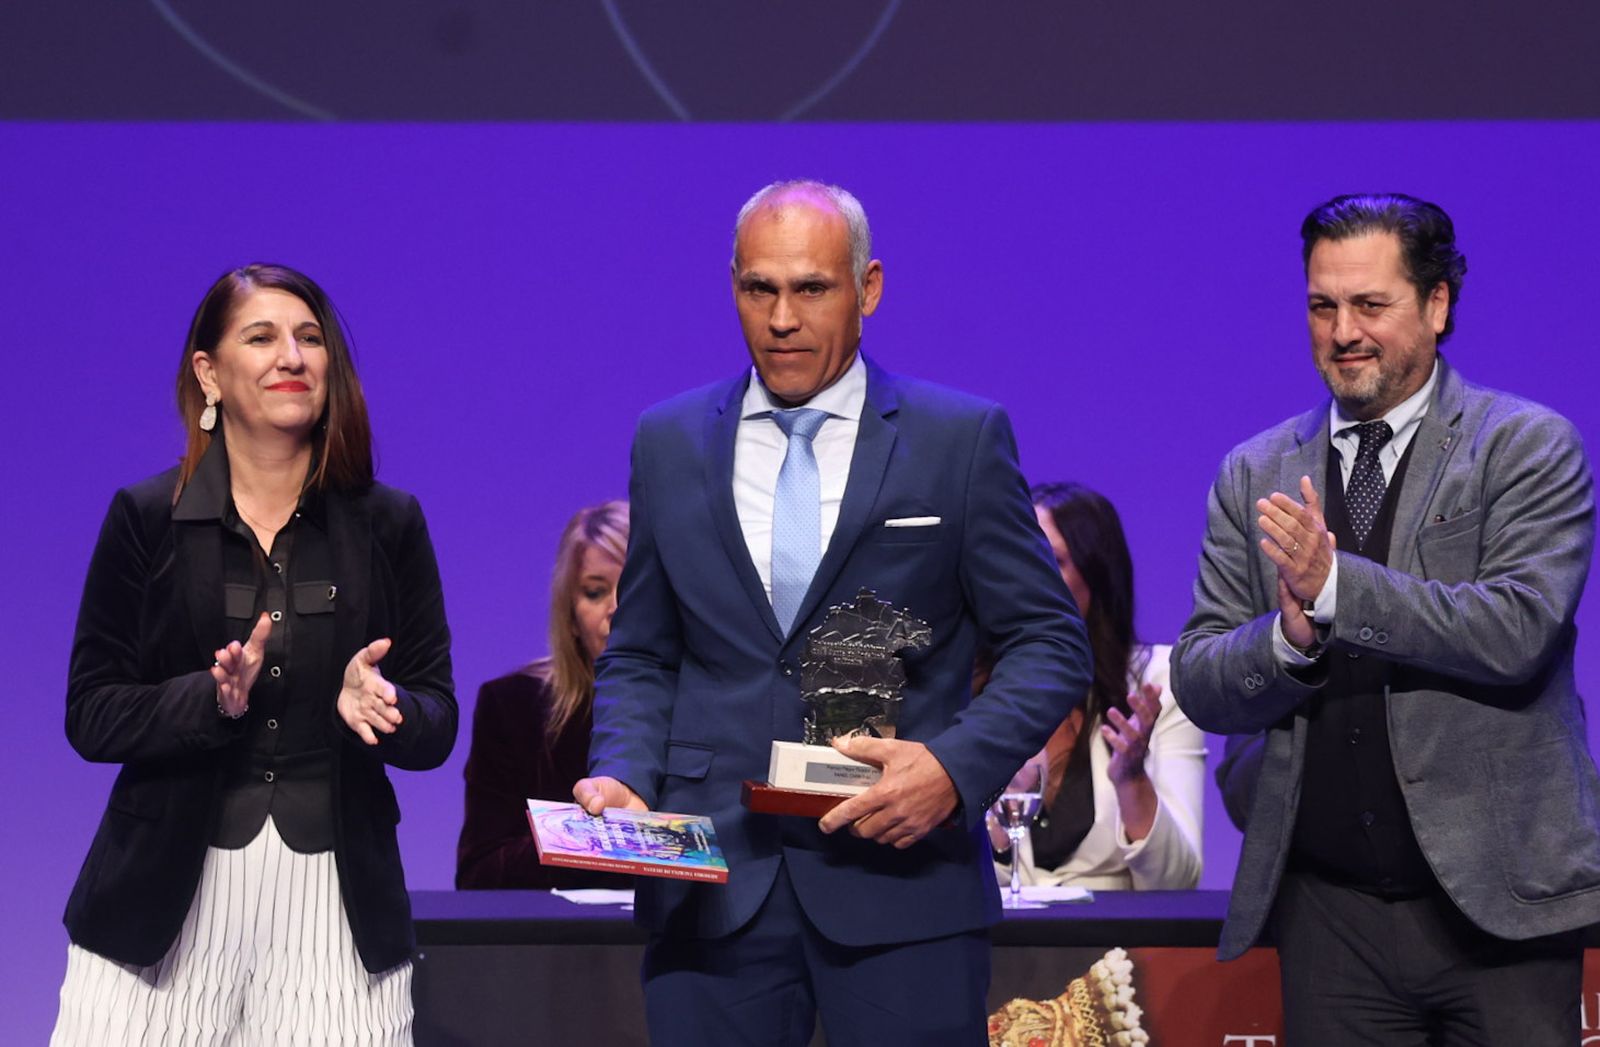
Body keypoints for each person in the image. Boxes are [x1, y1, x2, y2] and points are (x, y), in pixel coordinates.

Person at [574, 180, 1090, 1046]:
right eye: (758, 288)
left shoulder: (955, 438)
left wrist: (954, 770)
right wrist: (625, 770)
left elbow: (1048, 643)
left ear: (868, 288)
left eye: (810, 288)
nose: (782, 317)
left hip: (901, 886)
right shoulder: (667, 439)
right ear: (732, 285)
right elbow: (641, 652)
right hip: (711, 882)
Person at [1171, 193, 1600, 1044]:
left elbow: (1517, 628)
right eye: (1322, 305)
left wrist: (1337, 590)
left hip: (1499, 906)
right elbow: (1201, 674)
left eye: (1370, 305)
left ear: (1437, 306)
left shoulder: (1524, 446)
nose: (1342, 333)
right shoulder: (1254, 469)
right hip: (1331, 914)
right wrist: (1289, 639)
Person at [53, 264, 456, 1045]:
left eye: (310, 338)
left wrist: (384, 707)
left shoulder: (388, 522)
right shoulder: (146, 516)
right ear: (209, 371)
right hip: (160, 910)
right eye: (262, 337)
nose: (293, 357)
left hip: (336, 910)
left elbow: (437, 718)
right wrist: (207, 700)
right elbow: (90, 711)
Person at [987, 482, 1204, 891]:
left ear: (1096, 576)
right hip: (998, 942)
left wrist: (1132, 780)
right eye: (1020, 561)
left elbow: (1177, 883)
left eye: (1051, 560)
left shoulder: (1159, 683)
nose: (1029, 580)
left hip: (1111, 946)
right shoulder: (980, 687)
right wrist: (995, 829)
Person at [456, 500, 633, 890]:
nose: (615, 609)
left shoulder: (701, 709)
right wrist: (596, 839)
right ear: (570, 614)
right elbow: (479, 872)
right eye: (594, 592)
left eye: (633, 588)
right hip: (557, 942)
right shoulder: (512, 707)